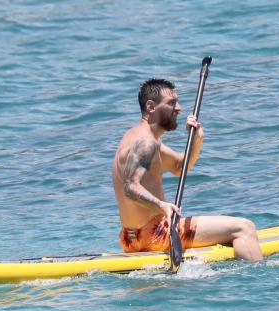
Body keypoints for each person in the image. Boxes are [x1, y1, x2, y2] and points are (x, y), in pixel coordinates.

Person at [112, 78, 263, 261]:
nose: (179, 108)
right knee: (244, 228)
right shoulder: (146, 142)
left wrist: (196, 140)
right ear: (151, 107)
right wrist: (162, 205)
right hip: (157, 235)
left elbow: (179, 167)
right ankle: (260, 281)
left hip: (130, 240)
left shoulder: (138, 137)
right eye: (171, 103)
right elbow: (130, 187)